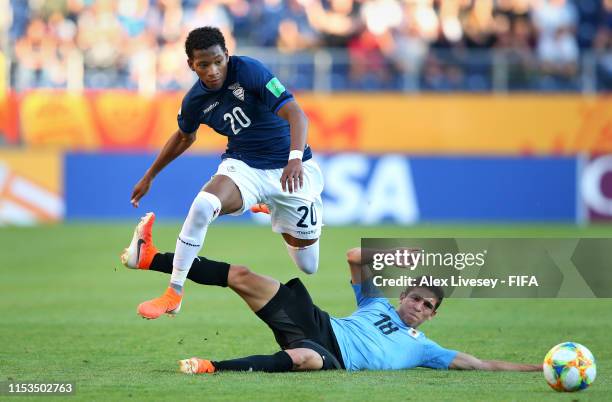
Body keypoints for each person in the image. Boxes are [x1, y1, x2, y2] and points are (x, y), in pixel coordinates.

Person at [121, 214, 542, 373]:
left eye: (427, 305)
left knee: (303, 359)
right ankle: (151, 258)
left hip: (333, 357)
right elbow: (354, 254)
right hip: (318, 322)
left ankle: (211, 366)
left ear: (433, 316)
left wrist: (538, 368)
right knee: (243, 274)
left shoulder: (426, 348)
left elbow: (482, 364)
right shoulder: (375, 301)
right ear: (403, 296)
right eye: (414, 297)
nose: (418, 305)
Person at [123, 26, 324, 320]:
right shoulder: (194, 101)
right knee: (203, 206)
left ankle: (272, 206)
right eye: (203, 64)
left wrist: (294, 158)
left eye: (218, 61)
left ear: (227, 55)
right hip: (244, 167)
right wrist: (150, 175)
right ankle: (174, 292)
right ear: (192, 65)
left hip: (292, 170)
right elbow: (183, 137)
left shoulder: (250, 71)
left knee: (308, 265)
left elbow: (296, 113)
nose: (213, 70)